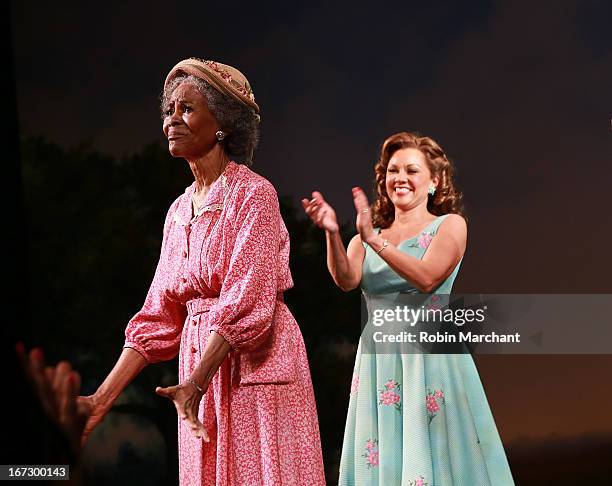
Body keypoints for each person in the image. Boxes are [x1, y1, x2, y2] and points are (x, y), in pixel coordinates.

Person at [79, 57, 325, 485]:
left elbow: (248, 299)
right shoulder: (177, 212)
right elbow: (156, 318)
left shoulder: (254, 195)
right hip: (198, 370)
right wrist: (102, 399)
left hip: (254, 363)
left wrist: (197, 380)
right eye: (169, 110)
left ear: (223, 124)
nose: (172, 120)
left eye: (186, 108)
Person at [302, 132, 514, 485]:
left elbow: (428, 278)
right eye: (393, 170)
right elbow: (346, 280)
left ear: (434, 181)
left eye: (412, 170)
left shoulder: (449, 225)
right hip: (379, 359)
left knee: (436, 456)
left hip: (430, 359)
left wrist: (376, 242)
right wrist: (331, 233)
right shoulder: (364, 236)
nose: (400, 177)